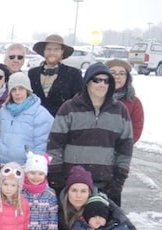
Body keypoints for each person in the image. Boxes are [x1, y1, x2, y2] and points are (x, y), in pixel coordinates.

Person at [47, 63, 133, 206]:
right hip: (72, 184)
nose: (102, 84)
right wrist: (56, 176)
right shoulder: (69, 108)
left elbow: (125, 147)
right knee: (71, 226)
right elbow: (55, 143)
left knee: (104, 226)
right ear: (87, 83)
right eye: (97, 80)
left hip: (105, 183)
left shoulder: (119, 110)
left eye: (106, 81)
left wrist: (119, 179)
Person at [0, 72, 53, 170]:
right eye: (14, 89)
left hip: (25, 166)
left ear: (28, 90)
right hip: (0, 163)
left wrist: (34, 165)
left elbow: (42, 144)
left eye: (21, 88)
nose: (17, 93)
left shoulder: (40, 113)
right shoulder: (3, 111)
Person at [27, 34, 83, 117]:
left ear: (62, 51)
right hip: (36, 123)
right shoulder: (32, 73)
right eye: (49, 49)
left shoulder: (74, 74)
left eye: (56, 49)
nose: (52, 52)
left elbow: (78, 102)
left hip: (62, 123)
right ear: (44, 51)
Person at [106, 59, 145, 144]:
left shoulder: (134, 103)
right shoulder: (95, 97)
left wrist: (121, 147)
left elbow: (136, 129)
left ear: (127, 78)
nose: (117, 77)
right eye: (112, 72)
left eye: (121, 73)